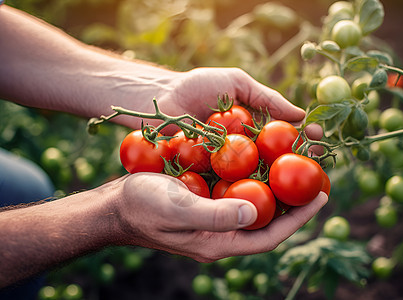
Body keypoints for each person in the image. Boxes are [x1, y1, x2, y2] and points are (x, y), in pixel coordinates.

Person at [0, 3, 328, 295]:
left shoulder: (215, 144)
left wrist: (160, 87)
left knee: (28, 188)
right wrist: (111, 215)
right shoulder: (219, 148)